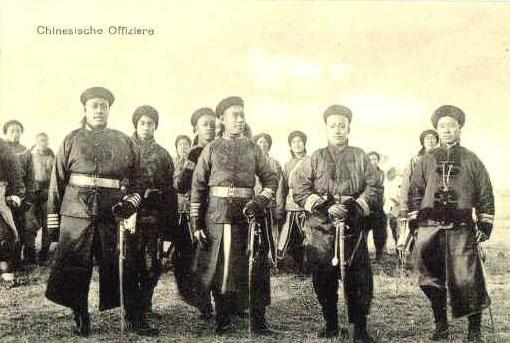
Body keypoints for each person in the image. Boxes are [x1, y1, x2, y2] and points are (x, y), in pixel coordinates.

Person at [45, 87, 143, 336]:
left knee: (121, 264)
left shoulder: (123, 141)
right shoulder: (71, 140)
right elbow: (57, 183)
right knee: (76, 267)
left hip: (112, 215)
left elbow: (138, 180)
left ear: (109, 110)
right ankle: (80, 314)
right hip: (76, 215)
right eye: (94, 105)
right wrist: (54, 224)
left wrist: (131, 202)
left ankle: (132, 316)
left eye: (104, 106)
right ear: (85, 110)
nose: (99, 110)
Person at [292, 104, 381, 342]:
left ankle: (359, 326)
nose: (338, 130)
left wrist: (354, 206)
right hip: (322, 227)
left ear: (348, 128)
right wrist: (325, 207)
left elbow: (375, 186)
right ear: (326, 129)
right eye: (333, 126)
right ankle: (331, 322)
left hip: (353, 226)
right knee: (323, 277)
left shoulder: (360, 156)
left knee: (359, 278)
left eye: (342, 125)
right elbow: (299, 187)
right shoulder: (316, 158)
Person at [190, 96, 278, 335]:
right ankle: (222, 319)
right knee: (221, 267)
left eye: (242, 115)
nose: (239, 119)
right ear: (222, 119)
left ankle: (258, 321)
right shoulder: (211, 148)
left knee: (254, 266)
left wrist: (260, 200)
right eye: (234, 115)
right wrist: (196, 222)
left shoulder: (253, 148)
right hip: (218, 216)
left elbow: (271, 179)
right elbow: (197, 187)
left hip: (248, 216)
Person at [407, 105, 494, 342]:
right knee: (431, 278)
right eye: (442, 126)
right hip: (430, 227)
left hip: (461, 229)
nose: (446, 130)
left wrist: (485, 224)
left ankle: (474, 331)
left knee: (467, 278)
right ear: (436, 129)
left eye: (451, 126)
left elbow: (485, 192)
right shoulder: (426, 160)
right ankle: (441, 326)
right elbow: (415, 191)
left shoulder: (471, 159)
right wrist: (414, 222)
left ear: (460, 128)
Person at [127, 105, 177, 335]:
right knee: (131, 264)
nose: (146, 127)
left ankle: (145, 304)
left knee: (153, 264)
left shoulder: (163, 154)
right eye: (142, 123)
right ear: (136, 124)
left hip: (154, 217)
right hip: (129, 216)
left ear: (156, 125)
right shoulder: (124, 149)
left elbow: (169, 190)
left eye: (151, 123)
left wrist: (170, 223)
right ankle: (132, 313)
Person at [173, 107, 216, 318]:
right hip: (198, 212)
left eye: (213, 123)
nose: (210, 127)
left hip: (220, 212)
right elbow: (181, 185)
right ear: (196, 128)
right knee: (198, 257)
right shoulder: (194, 152)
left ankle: (227, 304)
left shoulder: (223, 147)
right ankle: (204, 304)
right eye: (205, 124)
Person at [3, 120, 35, 267]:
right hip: (3, 193)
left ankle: (16, 260)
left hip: (20, 194)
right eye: (12, 131)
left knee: (21, 226)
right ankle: (5, 261)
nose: (15, 134)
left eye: (18, 131)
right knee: (5, 228)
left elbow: (30, 176)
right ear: (5, 133)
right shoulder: (2, 149)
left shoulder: (26, 152)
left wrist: (28, 198)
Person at [276, 130, 309, 274]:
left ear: (304, 143)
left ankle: (307, 265)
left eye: (299, 141)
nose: (297, 144)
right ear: (290, 145)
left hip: (306, 205)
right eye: (294, 142)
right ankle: (294, 265)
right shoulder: (288, 164)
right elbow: (282, 187)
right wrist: (280, 206)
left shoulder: (311, 160)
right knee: (291, 236)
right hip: (290, 206)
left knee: (307, 236)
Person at [26, 132, 55, 264]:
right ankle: (29, 252)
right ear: (36, 142)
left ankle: (44, 252)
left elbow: (55, 176)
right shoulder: (30, 156)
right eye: (40, 140)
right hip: (32, 192)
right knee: (30, 223)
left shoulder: (52, 156)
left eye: (45, 140)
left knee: (47, 223)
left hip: (47, 192)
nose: (43, 143)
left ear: (48, 142)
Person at [253, 132, 284, 246]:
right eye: (260, 142)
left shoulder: (275, 163)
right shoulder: (249, 161)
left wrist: (279, 207)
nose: (263, 145)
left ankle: (271, 262)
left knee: (269, 236)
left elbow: (280, 185)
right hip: (253, 203)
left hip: (270, 204)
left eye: (266, 142)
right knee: (253, 235)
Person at [0, 137, 23, 283]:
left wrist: (13, 192)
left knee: (4, 230)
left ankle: (4, 267)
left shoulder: (2, 145)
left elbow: (14, 168)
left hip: (0, 190)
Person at [367, 151, 387, 261]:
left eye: (375, 159)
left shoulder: (382, 174)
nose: (373, 162)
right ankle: (363, 255)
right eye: (370, 159)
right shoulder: (362, 173)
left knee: (380, 232)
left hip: (378, 207)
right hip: (366, 206)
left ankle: (379, 254)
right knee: (362, 232)